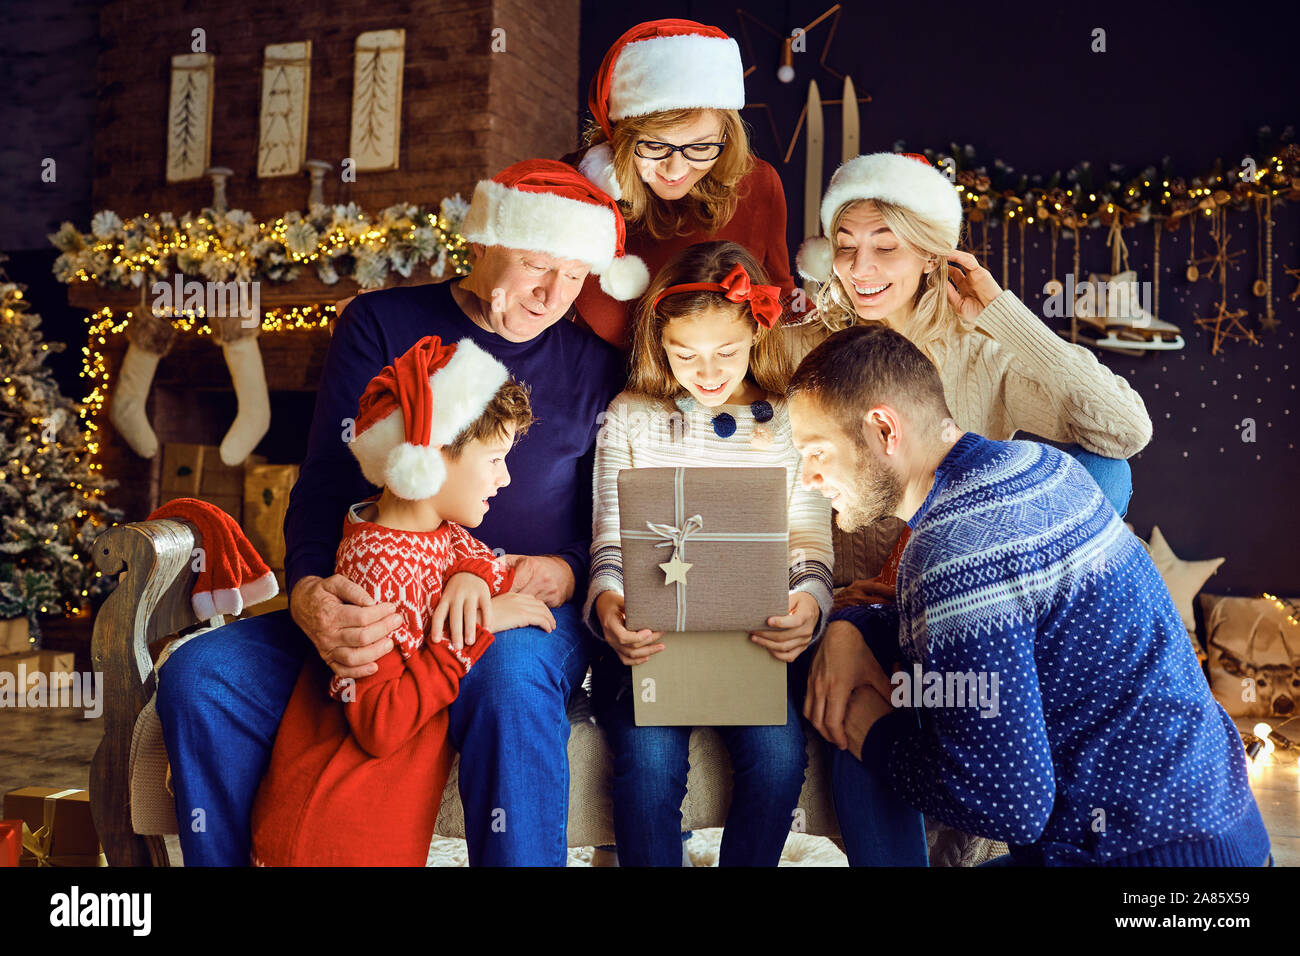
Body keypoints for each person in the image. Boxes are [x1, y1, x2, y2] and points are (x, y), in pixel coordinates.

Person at [156, 160, 639, 866]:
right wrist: (311, 592)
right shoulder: (381, 323)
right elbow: (325, 481)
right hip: (378, 586)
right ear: (482, 242)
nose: (553, 292)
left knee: (507, 676)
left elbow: (607, 516)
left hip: (515, 601)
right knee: (200, 675)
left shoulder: (596, 365)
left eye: (574, 274)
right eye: (536, 263)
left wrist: (565, 571)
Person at [788, 323, 1271, 866]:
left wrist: (873, 734)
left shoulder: (951, 553)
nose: (806, 477)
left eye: (816, 452)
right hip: (1232, 838)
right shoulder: (1047, 468)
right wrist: (856, 626)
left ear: (883, 428)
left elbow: (1010, 806)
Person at [791, 151, 1155, 865]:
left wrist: (1003, 315)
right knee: (868, 712)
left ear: (931, 253)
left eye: (885, 246)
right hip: (869, 607)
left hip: (963, 598)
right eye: (845, 246)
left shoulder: (981, 351)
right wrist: (841, 614)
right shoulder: (807, 346)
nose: (860, 267)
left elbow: (1125, 432)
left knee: (1104, 471)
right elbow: (798, 491)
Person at [250, 335, 551, 866]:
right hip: (333, 830)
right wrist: (477, 628)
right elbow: (381, 725)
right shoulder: (372, 575)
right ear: (431, 457)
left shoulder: (430, 530)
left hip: (381, 828)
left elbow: (474, 555)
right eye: (496, 459)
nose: (506, 478)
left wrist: (472, 582)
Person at [586, 240, 833, 865]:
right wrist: (610, 602)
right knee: (647, 762)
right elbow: (610, 534)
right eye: (684, 354)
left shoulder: (786, 423)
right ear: (657, 344)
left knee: (778, 759)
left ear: (757, 332)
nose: (708, 371)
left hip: (751, 635)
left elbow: (808, 539)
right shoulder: (630, 416)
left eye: (726, 351)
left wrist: (808, 604)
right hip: (650, 636)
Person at [567, 18, 799, 350]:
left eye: (701, 147)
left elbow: (782, 297)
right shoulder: (578, 182)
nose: (676, 169)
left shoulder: (759, 184)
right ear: (620, 136)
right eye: (655, 146)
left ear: (726, 137)